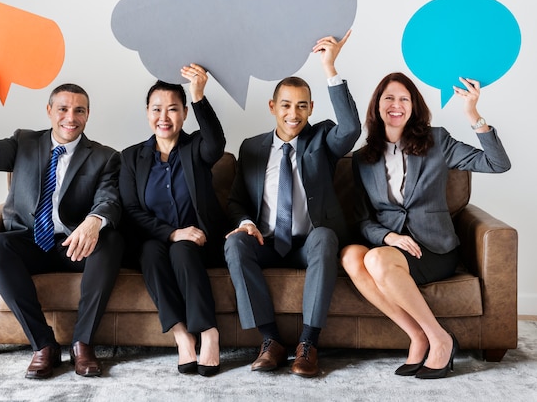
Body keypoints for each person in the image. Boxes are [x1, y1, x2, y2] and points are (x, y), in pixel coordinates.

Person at [0, 57, 123, 379]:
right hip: (31, 241)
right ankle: (43, 345)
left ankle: (83, 343)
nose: (70, 117)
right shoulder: (24, 142)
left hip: (75, 246)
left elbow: (110, 198)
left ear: (88, 115)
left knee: (112, 240)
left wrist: (94, 220)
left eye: (79, 110)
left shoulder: (105, 156)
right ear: (49, 111)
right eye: (63, 109)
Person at [341, 72, 511, 379]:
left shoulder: (437, 141)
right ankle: (418, 336)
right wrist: (389, 236)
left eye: (404, 99)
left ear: (414, 106)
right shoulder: (363, 159)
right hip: (392, 249)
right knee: (352, 255)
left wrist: (473, 114)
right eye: (389, 98)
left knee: (375, 257)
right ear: (377, 106)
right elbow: (362, 220)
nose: (396, 105)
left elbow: (497, 163)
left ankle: (440, 338)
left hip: (434, 249)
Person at [224, 31, 361, 378]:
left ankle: (308, 344)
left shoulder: (322, 140)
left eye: (302, 105)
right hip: (266, 242)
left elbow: (351, 127)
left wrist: (330, 68)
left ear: (311, 108)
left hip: (307, 243)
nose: (293, 113)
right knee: (235, 242)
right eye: (286, 104)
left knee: (326, 237)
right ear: (273, 107)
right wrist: (244, 222)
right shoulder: (251, 148)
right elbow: (237, 200)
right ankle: (270, 341)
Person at [119, 64, 229, 377]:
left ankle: (208, 332)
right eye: (157, 109)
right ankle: (182, 337)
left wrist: (198, 95)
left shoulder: (196, 148)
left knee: (182, 249)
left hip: (200, 243)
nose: (164, 117)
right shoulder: (130, 158)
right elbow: (131, 209)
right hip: (156, 240)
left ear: (184, 113)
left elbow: (217, 143)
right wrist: (172, 233)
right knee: (152, 252)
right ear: (147, 112)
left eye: (172, 109)